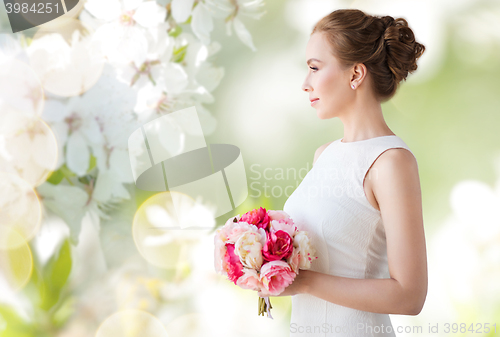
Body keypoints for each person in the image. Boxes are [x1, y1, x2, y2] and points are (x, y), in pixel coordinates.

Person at [257, 8, 428, 337]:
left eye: (314, 68)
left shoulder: (391, 162)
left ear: (356, 74)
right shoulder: (325, 155)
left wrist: (304, 282)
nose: (305, 84)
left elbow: (410, 295)